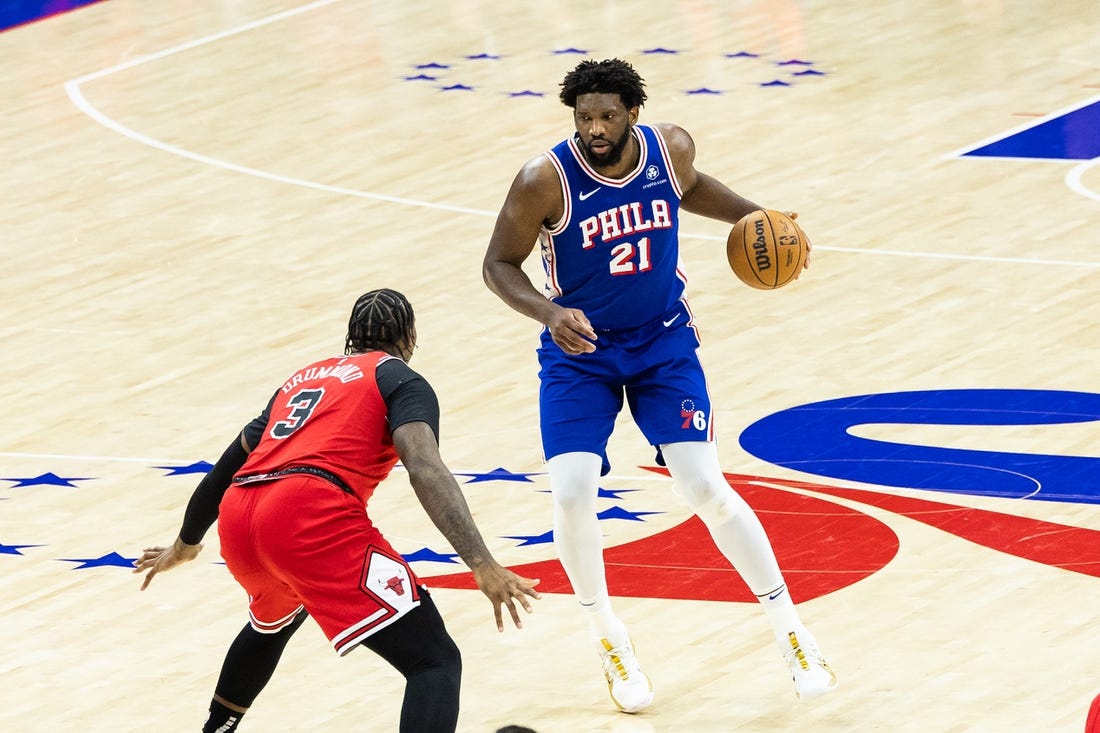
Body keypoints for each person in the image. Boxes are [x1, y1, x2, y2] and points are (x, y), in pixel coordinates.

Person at [482, 58, 836, 713]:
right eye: (584, 116)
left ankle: (792, 627)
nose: (594, 127)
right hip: (580, 350)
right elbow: (497, 263)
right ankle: (606, 633)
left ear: (632, 114)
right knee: (570, 492)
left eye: (607, 115)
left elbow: (692, 187)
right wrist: (548, 312)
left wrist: (759, 217)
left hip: (662, 342)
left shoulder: (667, 148)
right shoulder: (544, 180)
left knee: (705, 485)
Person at [134, 288, 541, 733]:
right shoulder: (399, 379)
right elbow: (424, 467)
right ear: (410, 337)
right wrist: (481, 563)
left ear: (351, 336)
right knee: (433, 660)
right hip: (307, 515)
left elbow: (225, 469)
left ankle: (216, 729)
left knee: (275, 621)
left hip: (241, 515)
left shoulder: (301, 380)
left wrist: (185, 544)